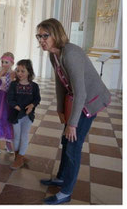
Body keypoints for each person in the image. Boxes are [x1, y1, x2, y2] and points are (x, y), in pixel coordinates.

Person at [36, 18, 111, 205]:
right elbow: (61, 83)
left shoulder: (70, 54)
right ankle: (62, 177)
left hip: (90, 100)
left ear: (57, 34)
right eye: (39, 36)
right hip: (77, 98)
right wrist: (60, 109)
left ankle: (66, 192)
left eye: (46, 36)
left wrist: (72, 123)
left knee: (73, 145)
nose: (41, 40)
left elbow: (81, 93)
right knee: (66, 140)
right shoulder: (53, 54)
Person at [7, 59, 41, 170]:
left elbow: (37, 99)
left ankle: (20, 157)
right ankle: (18, 157)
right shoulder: (13, 85)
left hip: (28, 116)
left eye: (23, 71)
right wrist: (19, 109)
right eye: (18, 70)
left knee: (24, 136)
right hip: (16, 116)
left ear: (29, 72)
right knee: (16, 136)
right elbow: (10, 99)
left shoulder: (34, 86)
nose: (19, 73)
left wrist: (31, 106)